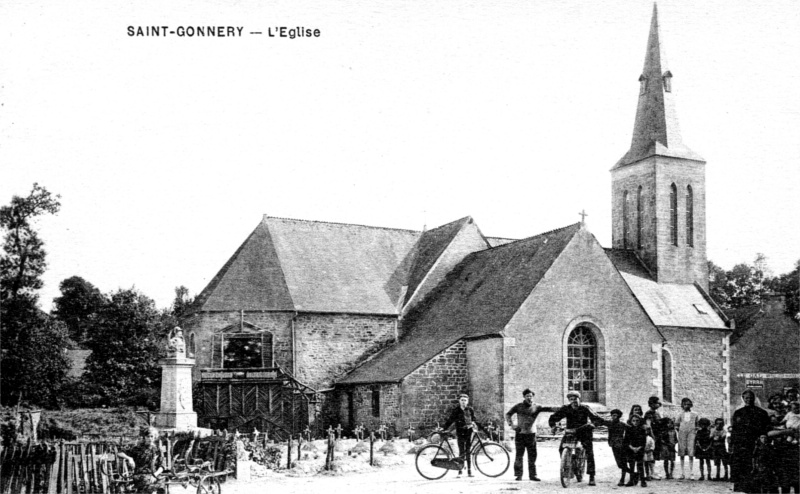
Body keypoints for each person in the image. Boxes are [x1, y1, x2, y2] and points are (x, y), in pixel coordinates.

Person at [548, 390, 603, 486]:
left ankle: (591, 476)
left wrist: (592, 424)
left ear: (579, 399)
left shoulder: (585, 408)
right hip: (571, 432)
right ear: (569, 400)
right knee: (561, 448)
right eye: (571, 399)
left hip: (584, 431)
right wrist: (553, 426)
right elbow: (554, 417)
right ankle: (568, 467)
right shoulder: (566, 408)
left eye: (575, 399)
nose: (574, 401)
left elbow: (596, 419)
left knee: (589, 452)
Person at [731, 389, 771, 492]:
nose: (749, 400)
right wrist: (733, 443)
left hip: (755, 444)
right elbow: (735, 429)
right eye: (746, 398)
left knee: (755, 467)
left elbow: (765, 428)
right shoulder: (738, 413)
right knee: (742, 468)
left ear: (754, 398)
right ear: (743, 399)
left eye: (751, 397)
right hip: (741, 445)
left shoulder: (761, 413)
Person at [505, 388, 543, 481]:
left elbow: (550, 408)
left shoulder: (537, 406)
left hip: (531, 434)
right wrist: (512, 425)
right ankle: (519, 475)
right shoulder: (518, 406)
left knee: (532, 455)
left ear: (533, 397)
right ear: (524, 397)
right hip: (520, 434)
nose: (529, 398)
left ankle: (532, 475)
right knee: (519, 455)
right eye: (527, 396)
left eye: (530, 396)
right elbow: (508, 414)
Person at [116, 426, 164, 494]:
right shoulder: (137, 448)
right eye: (148, 436)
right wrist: (130, 458)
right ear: (144, 437)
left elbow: (162, 466)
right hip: (140, 475)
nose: (150, 438)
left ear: (155, 437)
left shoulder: (158, 450)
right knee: (148, 485)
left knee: (161, 487)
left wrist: (155, 474)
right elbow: (120, 453)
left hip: (154, 474)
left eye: (152, 436)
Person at [443, 393, 479, 477]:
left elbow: (475, 419)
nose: (463, 402)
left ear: (467, 401)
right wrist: (444, 428)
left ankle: (469, 471)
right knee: (461, 451)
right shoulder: (456, 410)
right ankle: (460, 470)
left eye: (465, 400)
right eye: (462, 400)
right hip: (460, 433)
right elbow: (450, 420)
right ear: (459, 401)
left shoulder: (470, 410)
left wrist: (475, 425)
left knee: (468, 451)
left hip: (468, 432)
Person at [603, 409, 630, 486]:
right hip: (613, 445)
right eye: (612, 415)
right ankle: (634, 473)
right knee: (619, 464)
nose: (613, 417)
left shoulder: (622, 424)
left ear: (619, 416)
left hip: (621, 445)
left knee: (623, 463)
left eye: (615, 415)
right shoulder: (610, 424)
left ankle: (622, 479)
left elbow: (631, 429)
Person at [676, 397, 698, 479]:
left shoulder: (695, 414)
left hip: (691, 434)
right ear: (682, 405)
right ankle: (682, 473)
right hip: (682, 435)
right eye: (685, 404)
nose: (687, 406)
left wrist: (694, 432)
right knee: (682, 452)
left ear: (691, 405)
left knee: (691, 452)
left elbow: (697, 424)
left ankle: (691, 472)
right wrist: (680, 431)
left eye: (688, 404)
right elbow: (676, 424)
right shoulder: (680, 415)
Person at [624, 413, 648, 487]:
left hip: (639, 449)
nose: (635, 422)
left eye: (637, 421)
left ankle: (643, 481)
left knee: (640, 465)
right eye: (633, 421)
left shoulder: (642, 430)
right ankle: (631, 480)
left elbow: (644, 441)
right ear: (630, 421)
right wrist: (631, 447)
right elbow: (626, 440)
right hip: (631, 449)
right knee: (631, 465)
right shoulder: (629, 429)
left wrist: (639, 448)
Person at [645, 396, 663, 479]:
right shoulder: (649, 413)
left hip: (658, 435)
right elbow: (649, 426)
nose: (659, 404)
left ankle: (652, 471)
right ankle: (649, 473)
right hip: (653, 436)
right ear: (651, 404)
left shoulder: (657, 413)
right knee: (650, 454)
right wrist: (652, 437)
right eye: (657, 403)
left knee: (655, 455)